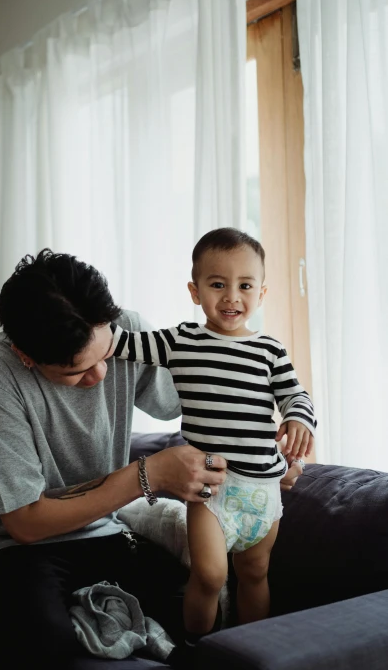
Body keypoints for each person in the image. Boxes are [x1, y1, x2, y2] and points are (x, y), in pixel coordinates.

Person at [0, 247, 304, 670]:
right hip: (5, 549)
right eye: (77, 372)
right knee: (48, 647)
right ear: (26, 356)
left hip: (102, 533)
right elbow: (24, 522)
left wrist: (262, 457)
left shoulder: (127, 332)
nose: (100, 376)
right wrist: (146, 476)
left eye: (106, 356)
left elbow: (207, 402)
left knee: (199, 616)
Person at [110, 227, 316, 667]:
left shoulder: (270, 351)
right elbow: (122, 345)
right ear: (195, 290)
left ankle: (252, 648)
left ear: (261, 293)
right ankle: (193, 650)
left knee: (255, 574)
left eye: (244, 286)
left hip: (263, 493)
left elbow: (296, 396)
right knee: (209, 574)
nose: (231, 297)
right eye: (217, 284)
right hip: (211, 488)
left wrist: (299, 417)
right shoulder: (181, 340)